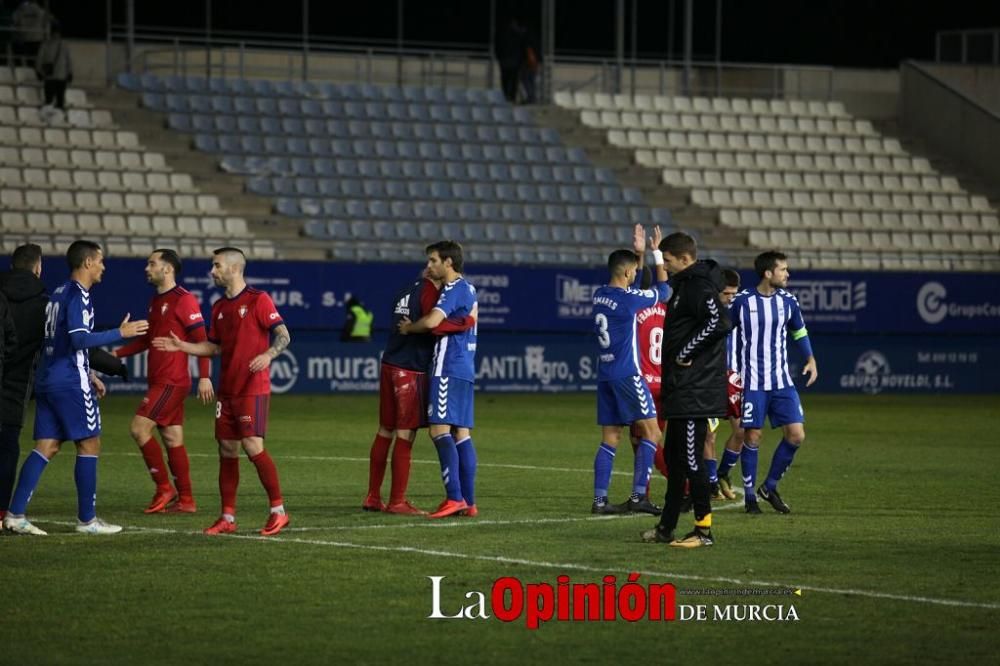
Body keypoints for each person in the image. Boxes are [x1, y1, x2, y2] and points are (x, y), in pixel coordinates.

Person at [3, 240, 149, 536]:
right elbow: (80, 339)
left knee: (47, 446)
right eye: (100, 261)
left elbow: (61, 343)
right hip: (69, 380)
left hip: (48, 378)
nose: (103, 267)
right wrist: (119, 333)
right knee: (90, 442)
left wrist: (89, 372)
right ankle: (87, 520)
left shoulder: (56, 293)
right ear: (87, 263)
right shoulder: (78, 296)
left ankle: (15, 514)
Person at [152, 247, 290, 536]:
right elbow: (214, 347)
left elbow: (283, 334)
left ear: (234, 268)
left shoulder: (258, 300)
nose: (212, 272)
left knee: (253, 446)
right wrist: (183, 347)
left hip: (253, 389)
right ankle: (227, 517)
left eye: (216, 266)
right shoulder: (218, 307)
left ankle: (278, 511)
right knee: (226, 449)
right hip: (227, 391)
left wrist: (268, 355)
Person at [642, 231, 731, 548]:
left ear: (684, 259)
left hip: (696, 393)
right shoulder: (683, 286)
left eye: (667, 260)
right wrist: (652, 255)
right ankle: (666, 527)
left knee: (691, 462)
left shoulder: (698, 286)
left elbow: (718, 323)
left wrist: (685, 353)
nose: (665, 265)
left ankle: (703, 532)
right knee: (676, 461)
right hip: (681, 391)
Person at [364, 269, 475, 515]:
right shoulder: (431, 293)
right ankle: (397, 501)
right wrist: (466, 321)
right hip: (411, 370)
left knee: (385, 430)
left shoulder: (404, 289)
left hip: (390, 363)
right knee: (406, 434)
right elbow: (431, 325)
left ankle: (373, 496)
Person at [114, 249, 214, 514]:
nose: (147, 268)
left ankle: (163, 488)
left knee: (139, 428)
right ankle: (187, 500)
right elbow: (148, 340)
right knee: (172, 438)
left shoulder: (184, 300)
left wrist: (205, 376)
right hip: (159, 379)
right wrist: (116, 354)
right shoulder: (155, 301)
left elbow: (202, 339)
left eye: (152, 263)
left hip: (171, 381)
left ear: (168, 269)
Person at [728, 251, 818, 514]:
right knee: (752, 436)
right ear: (768, 273)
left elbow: (799, 330)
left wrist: (810, 358)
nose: (787, 274)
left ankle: (769, 486)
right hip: (753, 382)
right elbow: (723, 331)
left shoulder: (788, 302)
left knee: (796, 434)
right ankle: (750, 497)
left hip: (781, 381)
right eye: (783, 269)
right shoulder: (742, 301)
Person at [590, 226, 670, 515]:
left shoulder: (600, 295)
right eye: (633, 271)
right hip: (627, 374)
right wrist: (657, 253)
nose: (636, 274)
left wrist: (639, 253)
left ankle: (599, 501)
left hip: (605, 375)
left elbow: (636, 283)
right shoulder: (628, 300)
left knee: (610, 438)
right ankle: (638, 496)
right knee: (652, 433)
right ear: (626, 274)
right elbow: (665, 291)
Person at [398, 241, 479, 519]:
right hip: (465, 368)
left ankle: (455, 498)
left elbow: (432, 322)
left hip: (447, 367)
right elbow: (469, 319)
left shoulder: (454, 289)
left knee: (438, 431)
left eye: (433, 260)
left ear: (448, 262)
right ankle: (469, 502)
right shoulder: (469, 288)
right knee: (462, 433)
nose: (429, 265)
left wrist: (410, 328)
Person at [0, 244, 46, 523]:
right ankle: (2, 510)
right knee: (7, 446)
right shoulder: (43, 303)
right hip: (16, 386)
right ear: (38, 267)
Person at [705, 268, 744, 502]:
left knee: (742, 430)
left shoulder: (741, 308)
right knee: (710, 435)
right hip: (711, 379)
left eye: (733, 293)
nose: (730, 298)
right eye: (726, 293)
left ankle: (723, 473)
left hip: (735, 378)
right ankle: (710, 483)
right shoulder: (706, 310)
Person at [34, 21, 72, 119]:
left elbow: (39, 59)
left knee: (49, 100)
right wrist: (70, 72)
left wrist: (39, 71)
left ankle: (48, 119)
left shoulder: (46, 44)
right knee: (59, 101)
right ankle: (57, 119)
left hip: (49, 76)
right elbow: (69, 60)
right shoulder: (64, 45)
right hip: (61, 76)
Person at [495, 17, 526, 103]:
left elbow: (498, 48)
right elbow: (522, 48)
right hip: (513, 62)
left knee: (506, 81)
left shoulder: (503, 34)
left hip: (506, 62)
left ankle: (506, 97)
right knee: (513, 81)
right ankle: (511, 98)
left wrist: (500, 58)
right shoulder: (518, 35)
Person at [11, 0, 47, 67]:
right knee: (35, 60)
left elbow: (14, 20)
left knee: (25, 60)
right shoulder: (41, 11)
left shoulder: (20, 10)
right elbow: (46, 22)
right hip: (37, 38)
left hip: (25, 38)